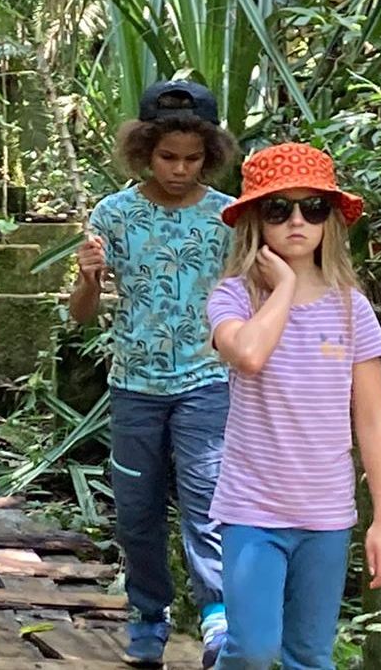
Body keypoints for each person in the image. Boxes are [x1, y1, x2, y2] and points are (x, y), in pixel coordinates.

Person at [204, 142, 381, 670]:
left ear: (329, 220)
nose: (297, 221)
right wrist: (286, 286)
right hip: (253, 508)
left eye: (312, 208)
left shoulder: (350, 306)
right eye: (278, 209)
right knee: (253, 650)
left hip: (326, 514)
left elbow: (373, 420)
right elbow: (247, 353)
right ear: (254, 221)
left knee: (310, 655)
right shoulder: (233, 297)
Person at [71, 79, 239, 668]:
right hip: (134, 386)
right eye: (168, 157)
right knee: (137, 510)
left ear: (210, 155)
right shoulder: (113, 214)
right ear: (145, 149)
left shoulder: (227, 218)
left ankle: (217, 618)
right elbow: (82, 316)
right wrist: (90, 276)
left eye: (193, 159)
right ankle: (148, 616)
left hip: (208, 381)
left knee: (207, 503)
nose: (180, 169)